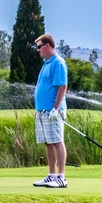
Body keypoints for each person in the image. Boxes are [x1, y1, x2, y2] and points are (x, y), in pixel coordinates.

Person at [32, 34, 69, 188]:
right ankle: (51, 174)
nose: (38, 50)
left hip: (54, 111)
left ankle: (61, 177)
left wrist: (55, 108)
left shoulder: (58, 63)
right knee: (48, 142)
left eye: (39, 47)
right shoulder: (46, 63)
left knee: (57, 141)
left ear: (47, 45)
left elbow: (62, 87)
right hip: (42, 110)